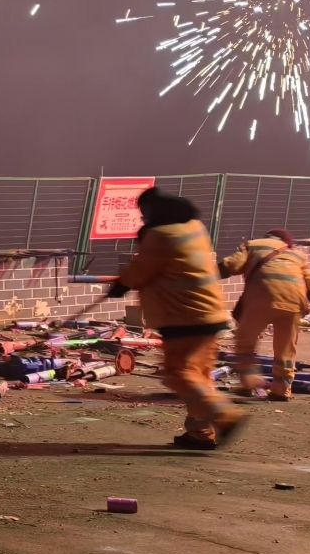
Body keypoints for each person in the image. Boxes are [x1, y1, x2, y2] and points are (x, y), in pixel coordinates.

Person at [106, 187, 248, 450]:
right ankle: (200, 433)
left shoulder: (160, 236)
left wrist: (121, 285)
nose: (143, 218)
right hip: (210, 314)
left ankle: (225, 415)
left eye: (144, 213)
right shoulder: (195, 227)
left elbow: (141, 270)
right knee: (199, 376)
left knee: (178, 374)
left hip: (183, 316)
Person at [220, 228, 310, 400]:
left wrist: (201, 277)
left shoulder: (253, 245)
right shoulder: (298, 254)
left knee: (245, 343)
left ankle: (248, 383)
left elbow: (231, 266)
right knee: (286, 350)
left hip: (261, 299)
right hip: (293, 303)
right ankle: (282, 390)